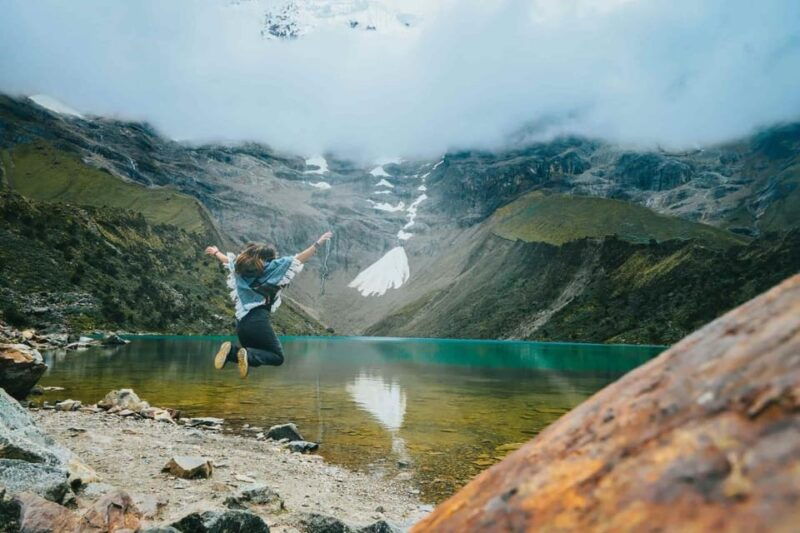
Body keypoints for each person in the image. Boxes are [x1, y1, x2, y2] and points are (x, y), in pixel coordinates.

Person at [204, 230, 333, 378]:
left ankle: (231, 352)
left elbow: (227, 260)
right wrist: (318, 243)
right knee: (277, 357)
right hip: (257, 320)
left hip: (241, 324)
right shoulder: (272, 268)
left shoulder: (241, 268)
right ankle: (241, 352)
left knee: (255, 357)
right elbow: (299, 258)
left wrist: (216, 252)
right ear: (269, 258)